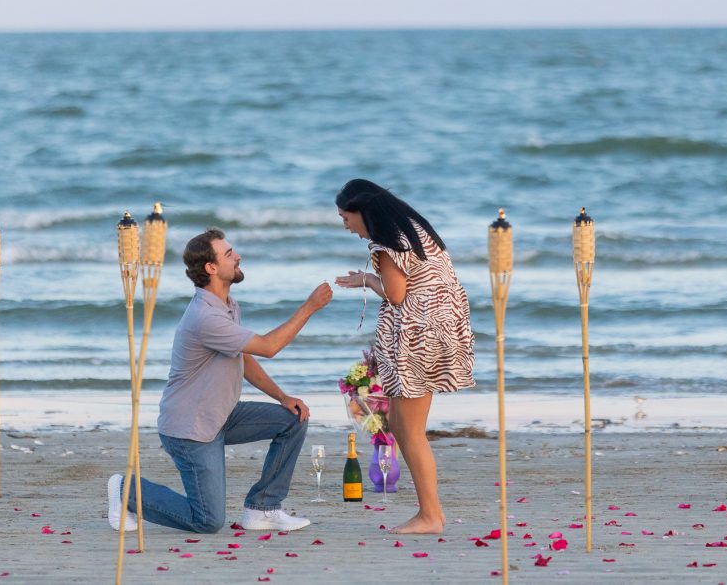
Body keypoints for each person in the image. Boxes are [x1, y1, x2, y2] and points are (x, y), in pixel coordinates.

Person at [108, 227, 332, 534]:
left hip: (222, 415)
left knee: (293, 418)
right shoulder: (206, 317)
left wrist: (282, 397)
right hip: (191, 429)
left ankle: (262, 508)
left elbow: (245, 357)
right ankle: (125, 490)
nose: (237, 256)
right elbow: (268, 347)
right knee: (208, 520)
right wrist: (310, 307)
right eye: (229, 254)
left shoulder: (226, 305)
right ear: (211, 268)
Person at [334, 179, 475, 534]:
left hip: (416, 336)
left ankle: (430, 515)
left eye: (345, 218)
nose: (345, 226)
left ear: (362, 211)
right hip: (443, 327)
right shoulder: (415, 229)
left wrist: (368, 280)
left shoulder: (386, 244)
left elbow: (396, 295)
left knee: (409, 431)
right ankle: (431, 513)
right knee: (402, 425)